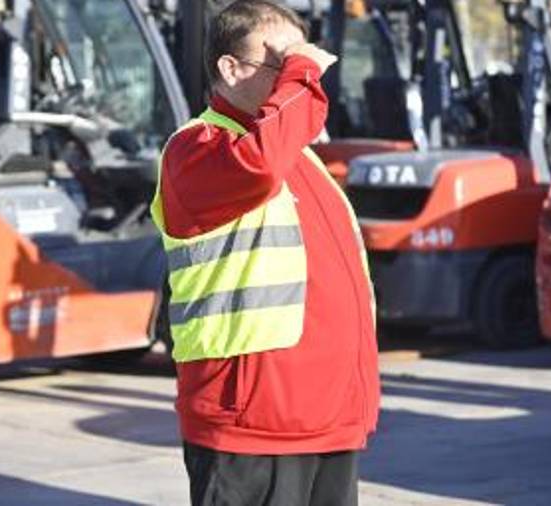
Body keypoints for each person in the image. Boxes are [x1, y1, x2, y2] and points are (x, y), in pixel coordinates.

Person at [150, 1, 380, 504]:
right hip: (250, 426)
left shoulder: (299, 158)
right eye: (281, 60)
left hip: (328, 422)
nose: (299, 73)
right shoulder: (198, 148)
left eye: (301, 60)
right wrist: (302, 73)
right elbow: (257, 166)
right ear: (229, 69)